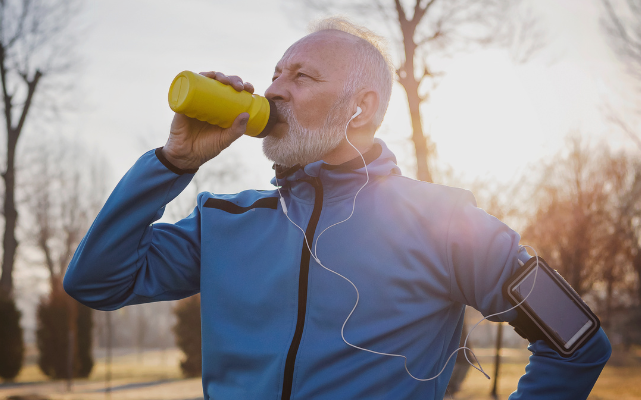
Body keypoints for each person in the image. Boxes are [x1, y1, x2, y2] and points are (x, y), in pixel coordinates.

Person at [64, 17, 612, 399]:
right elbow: (96, 281)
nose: (275, 90)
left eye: (302, 76)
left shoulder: (444, 223)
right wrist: (173, 161)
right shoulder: (224, 223)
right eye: (276, 73)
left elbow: (578, 342)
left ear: (360, 108)